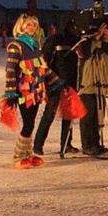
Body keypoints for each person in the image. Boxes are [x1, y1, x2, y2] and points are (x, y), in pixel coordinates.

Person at [3, 14, 62, 169]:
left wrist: (56, 81)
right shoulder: (16, 46)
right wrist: (10, 92)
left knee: (31, 123)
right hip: (23, 91)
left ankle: (27, 154)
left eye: (34, 25)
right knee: (28, 124)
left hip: (36, 90)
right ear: (21, 26)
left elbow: (43, 67)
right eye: (28, 24)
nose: (32, 28)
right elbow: (10, 69)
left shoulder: (35, 45)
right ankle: (19, 156)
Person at [33, 16, 82, 157]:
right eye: (72, 25)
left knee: (69, 114)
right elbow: (44, 62)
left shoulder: (75, 40)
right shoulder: (54, 40)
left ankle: (66, 143)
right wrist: (51, 79)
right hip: (53, 83)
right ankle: (38, 144)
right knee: (49, 113)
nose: (74, 28)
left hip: (70, 82)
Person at [78, 12, 108, 156]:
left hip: (103, 81)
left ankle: (96, 143)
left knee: (99, 115)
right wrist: (96, 37)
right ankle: (87, 145)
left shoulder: (107, 40)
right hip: (89, 82)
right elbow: (85, 51)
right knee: (88, 115)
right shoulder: (85, 38)